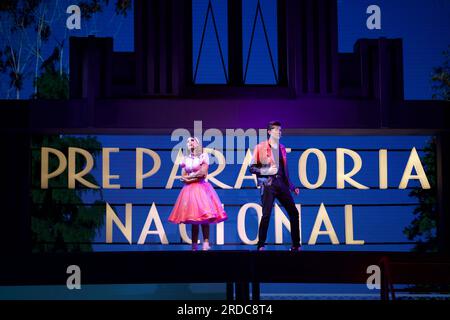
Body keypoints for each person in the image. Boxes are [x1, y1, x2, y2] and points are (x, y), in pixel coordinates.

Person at [249, 121, 301, 251]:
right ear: (269, 132)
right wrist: (266, 171)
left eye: (280, 130)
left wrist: (292, 186)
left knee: (294, 212)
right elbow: (252, 168)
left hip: (281, 184)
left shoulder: (282, 148)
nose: (279, 132)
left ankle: (296, 245)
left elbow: (284, 170)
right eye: (276, 129)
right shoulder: (260, 147)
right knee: (266, 214)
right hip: (268, 184)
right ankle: (261, 245)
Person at [168, 137, 227, 251]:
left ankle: (205, 243)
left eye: (192, 141)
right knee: (194, 218)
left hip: (201, 188)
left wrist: (189, 178)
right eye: (188, 141)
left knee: (204, 215)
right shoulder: (186, 159)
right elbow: (183, 176)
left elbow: (203, 174)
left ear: (198, 144)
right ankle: (194, 245)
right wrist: (190, 178)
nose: (190, 143)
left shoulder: (203, 156)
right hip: (189, 190)